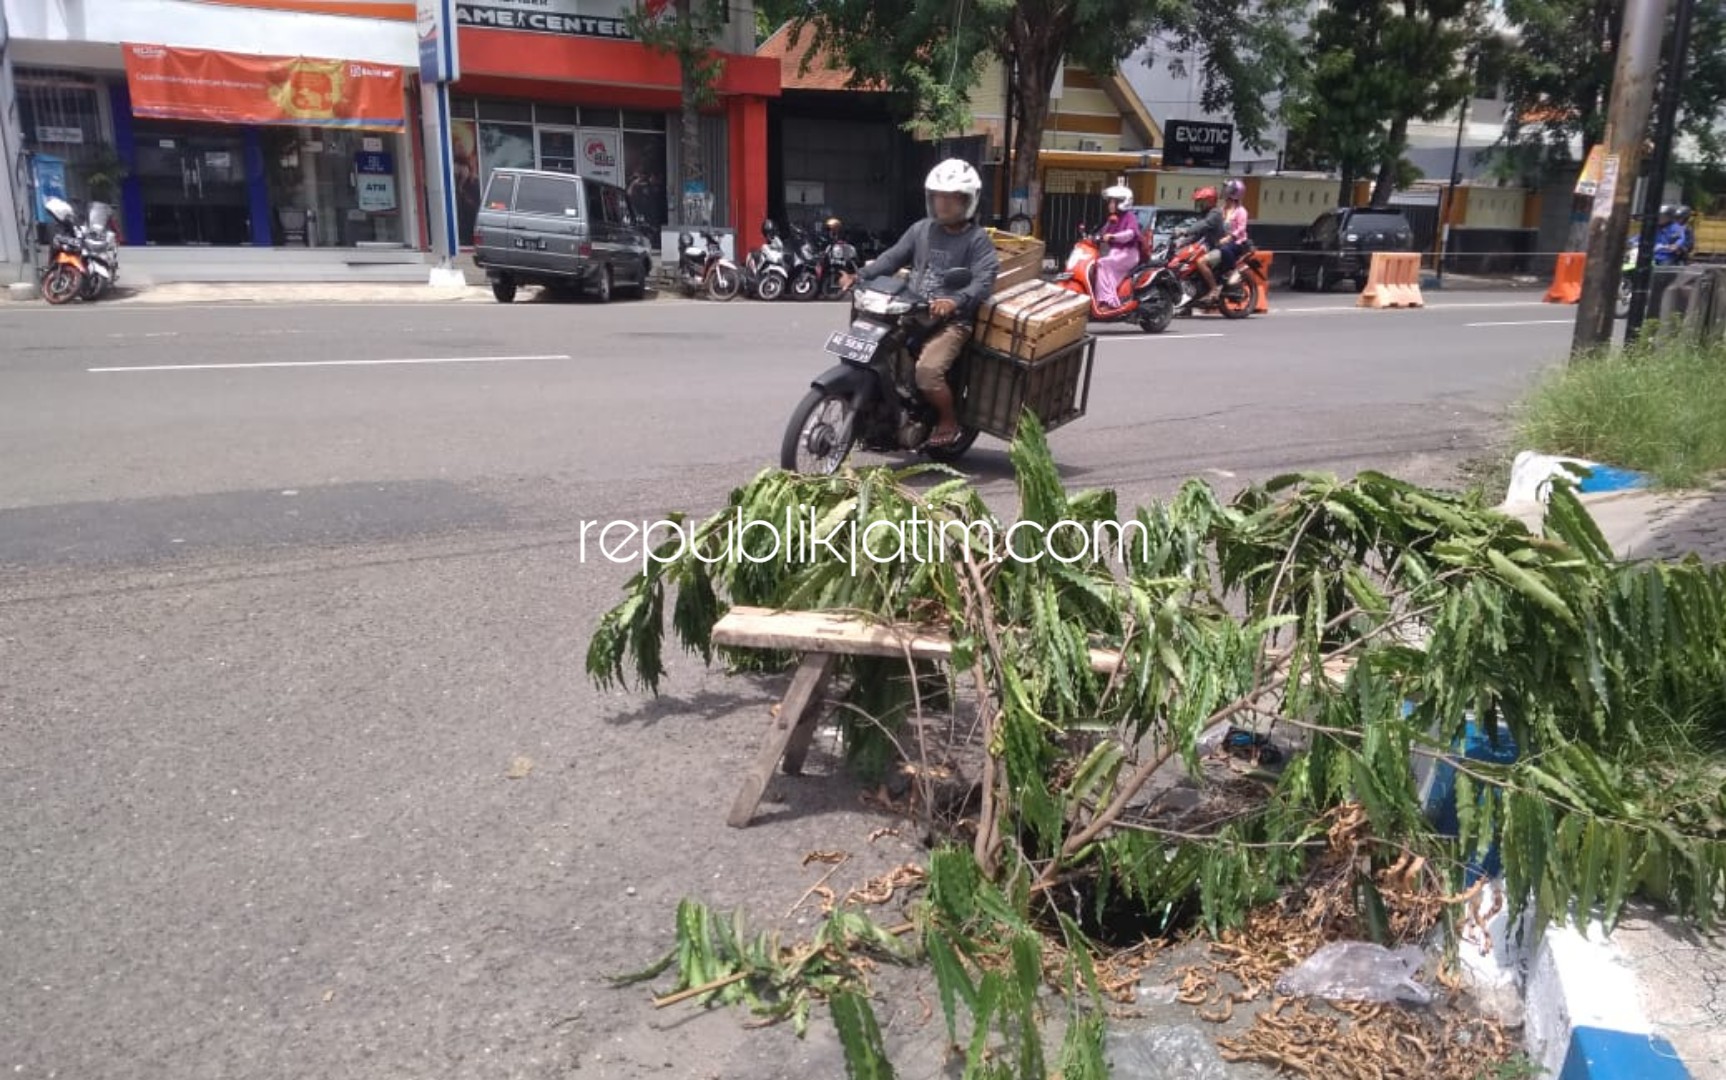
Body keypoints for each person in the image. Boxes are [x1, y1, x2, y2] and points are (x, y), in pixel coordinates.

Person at [841, 159, 999, 448]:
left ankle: (948, 420)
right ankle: (881, 414)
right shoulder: (921, 230)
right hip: (912, 311)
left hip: (951, 322)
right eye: (938, 196)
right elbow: (892, 257)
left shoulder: (977, 240)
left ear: (967, 201)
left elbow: (983, 282)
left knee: (927, 373)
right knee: (868, 351)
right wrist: (859, 275)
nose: (943, 204)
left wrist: (955, 301)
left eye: (951, 198)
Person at [1092, 183, 1142, 310]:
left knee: (1103, 263)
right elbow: (1102, 233)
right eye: (1110, 202)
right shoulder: (1113, 218)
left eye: (1113, 202)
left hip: (1128, 254)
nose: (1110, 205)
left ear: (1122, 202)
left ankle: (1108, 301)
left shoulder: (1129, 216)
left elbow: (1130, 233)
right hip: (1115, 253)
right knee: (1096, 264)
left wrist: (1114, 237)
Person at [1176, 186, 1226, 304]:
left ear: (1210, 201)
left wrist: (1185, 230)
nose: (1199, 204)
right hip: (1210, 248)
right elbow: (1198, 235)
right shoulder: (1206, 214)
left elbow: (1204, 225)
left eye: (1201, 202)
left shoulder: (1215, 214)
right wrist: (1182, 243)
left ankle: (1214, 289)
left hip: (1220, 248)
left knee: (1200, 262)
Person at [1213, 179, 1250, 283]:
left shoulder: (1241, 211)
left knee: (1224, 249)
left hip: (1237, 242)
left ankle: (1233, 270)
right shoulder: (1222, 209)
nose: (1224, 192)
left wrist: (1229, 237)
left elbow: (1241, 228)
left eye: (1228, 190)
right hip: (1223, 240)